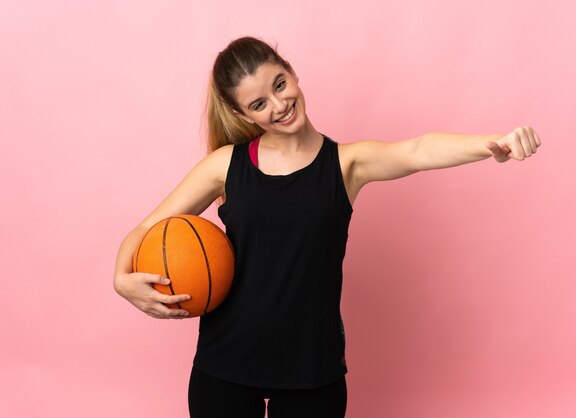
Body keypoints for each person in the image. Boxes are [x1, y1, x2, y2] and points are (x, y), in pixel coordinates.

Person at [112, 36, 541, 418]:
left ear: (293, 74)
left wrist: (491, 144)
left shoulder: (346, 164)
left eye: (280, 85)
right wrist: (121, 280)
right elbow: (146, 230)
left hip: (311, 371)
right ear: (243, 113)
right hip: (224, 365)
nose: (279, 105)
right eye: (259, 104)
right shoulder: (225, 166)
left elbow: (417, 149)